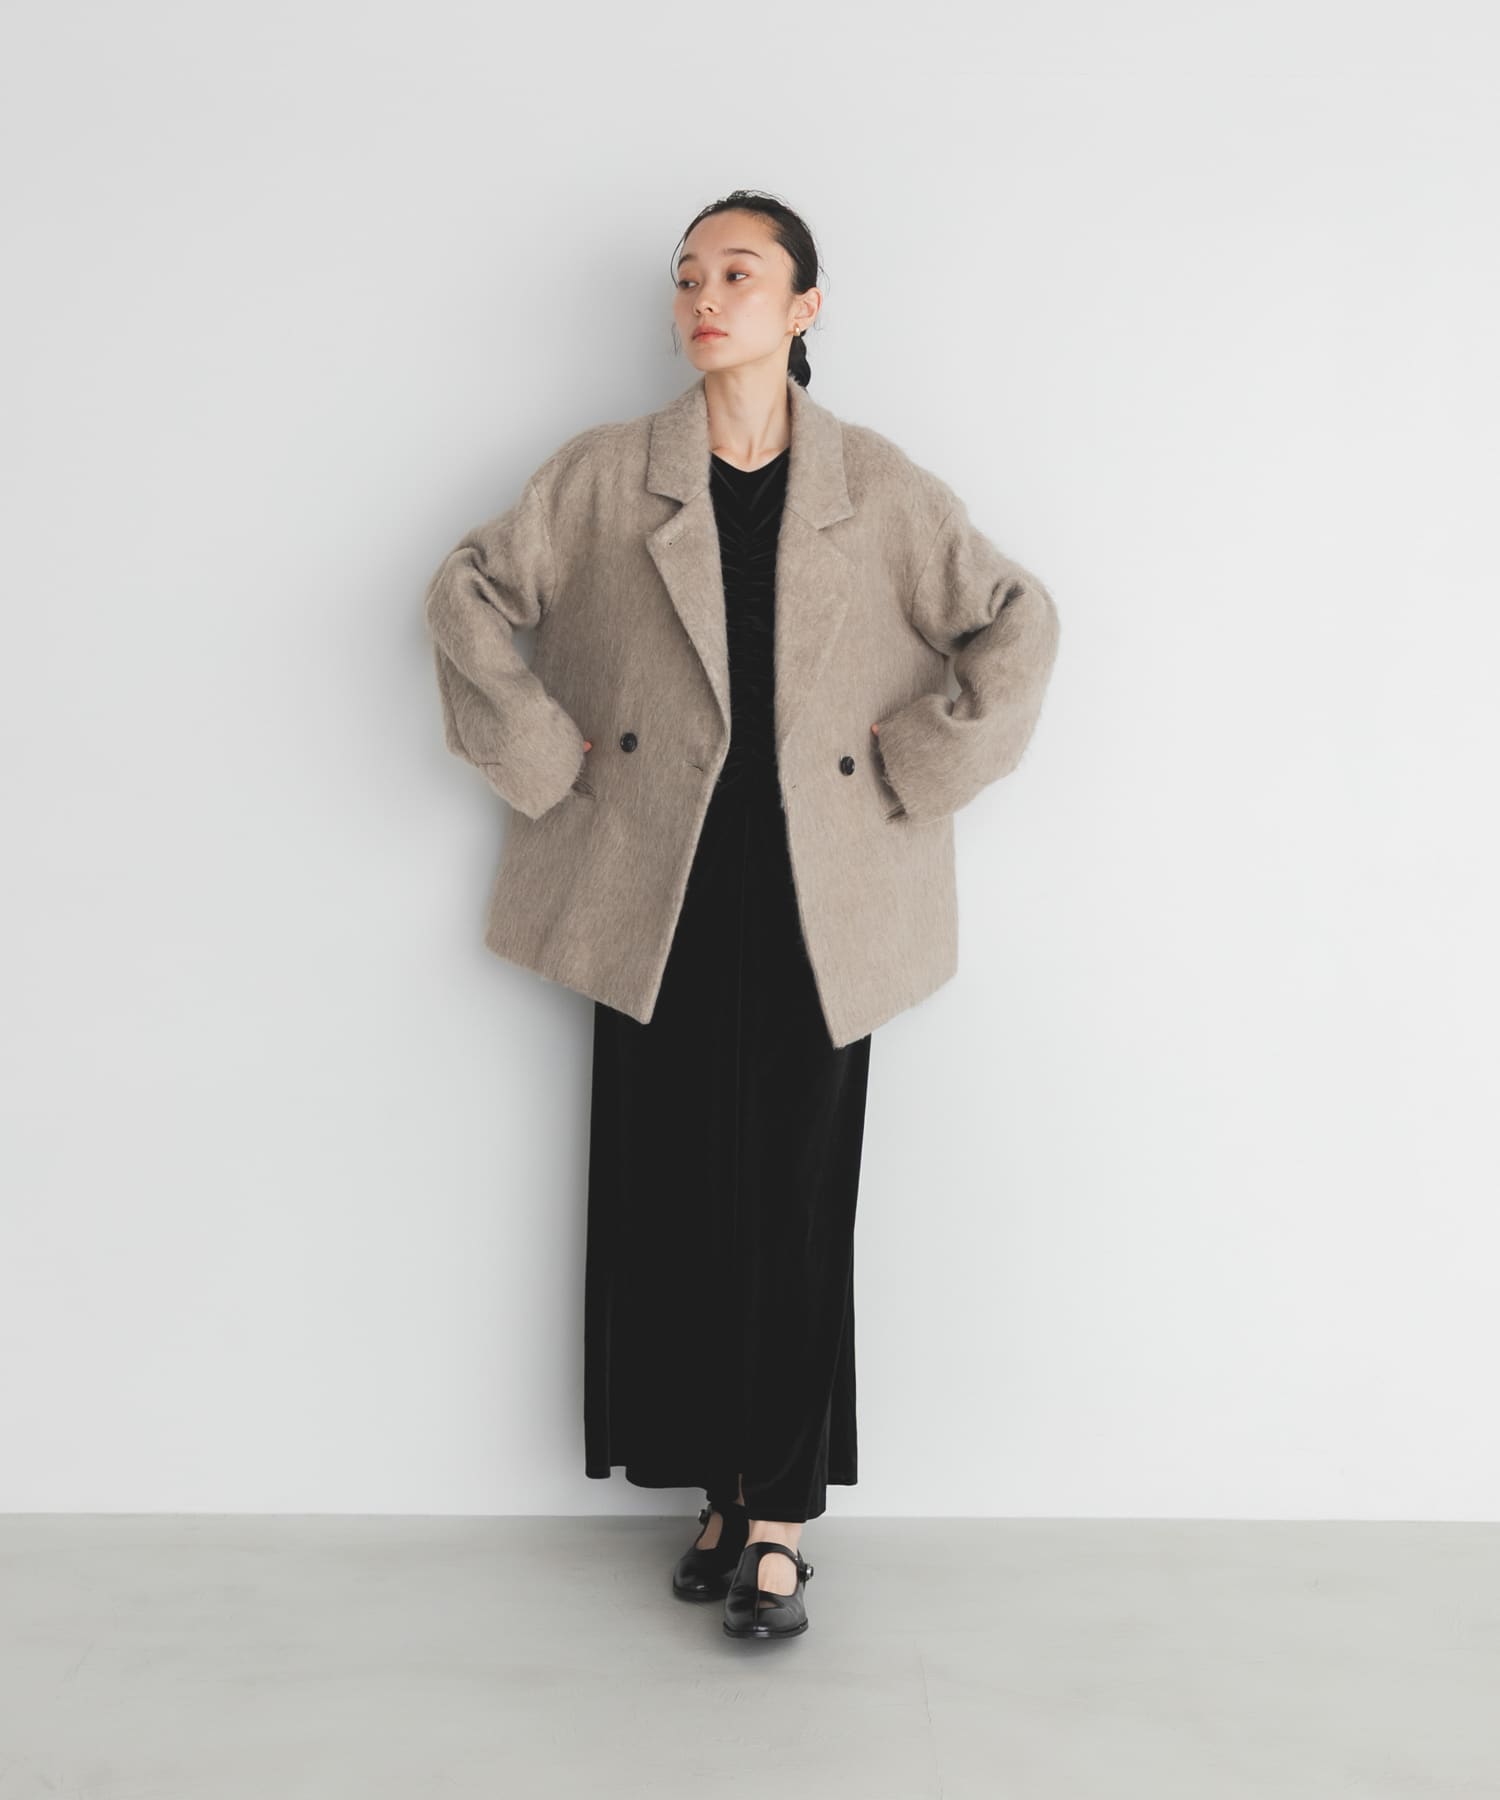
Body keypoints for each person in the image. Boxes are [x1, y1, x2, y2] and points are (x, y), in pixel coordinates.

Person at [423, 189, 1061, 1642]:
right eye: (688, 277)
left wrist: (921, 760)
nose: (706, 298)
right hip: (649, 883)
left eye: (740, 273)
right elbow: (466, 594)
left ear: (804, 307)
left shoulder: (878, 488)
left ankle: (776, 1516)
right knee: (666, 1192)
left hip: (828, 895)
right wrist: (541, 755)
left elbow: (1017, 620)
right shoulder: (606, 476)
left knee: (795, 1195)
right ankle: (715, 1489)